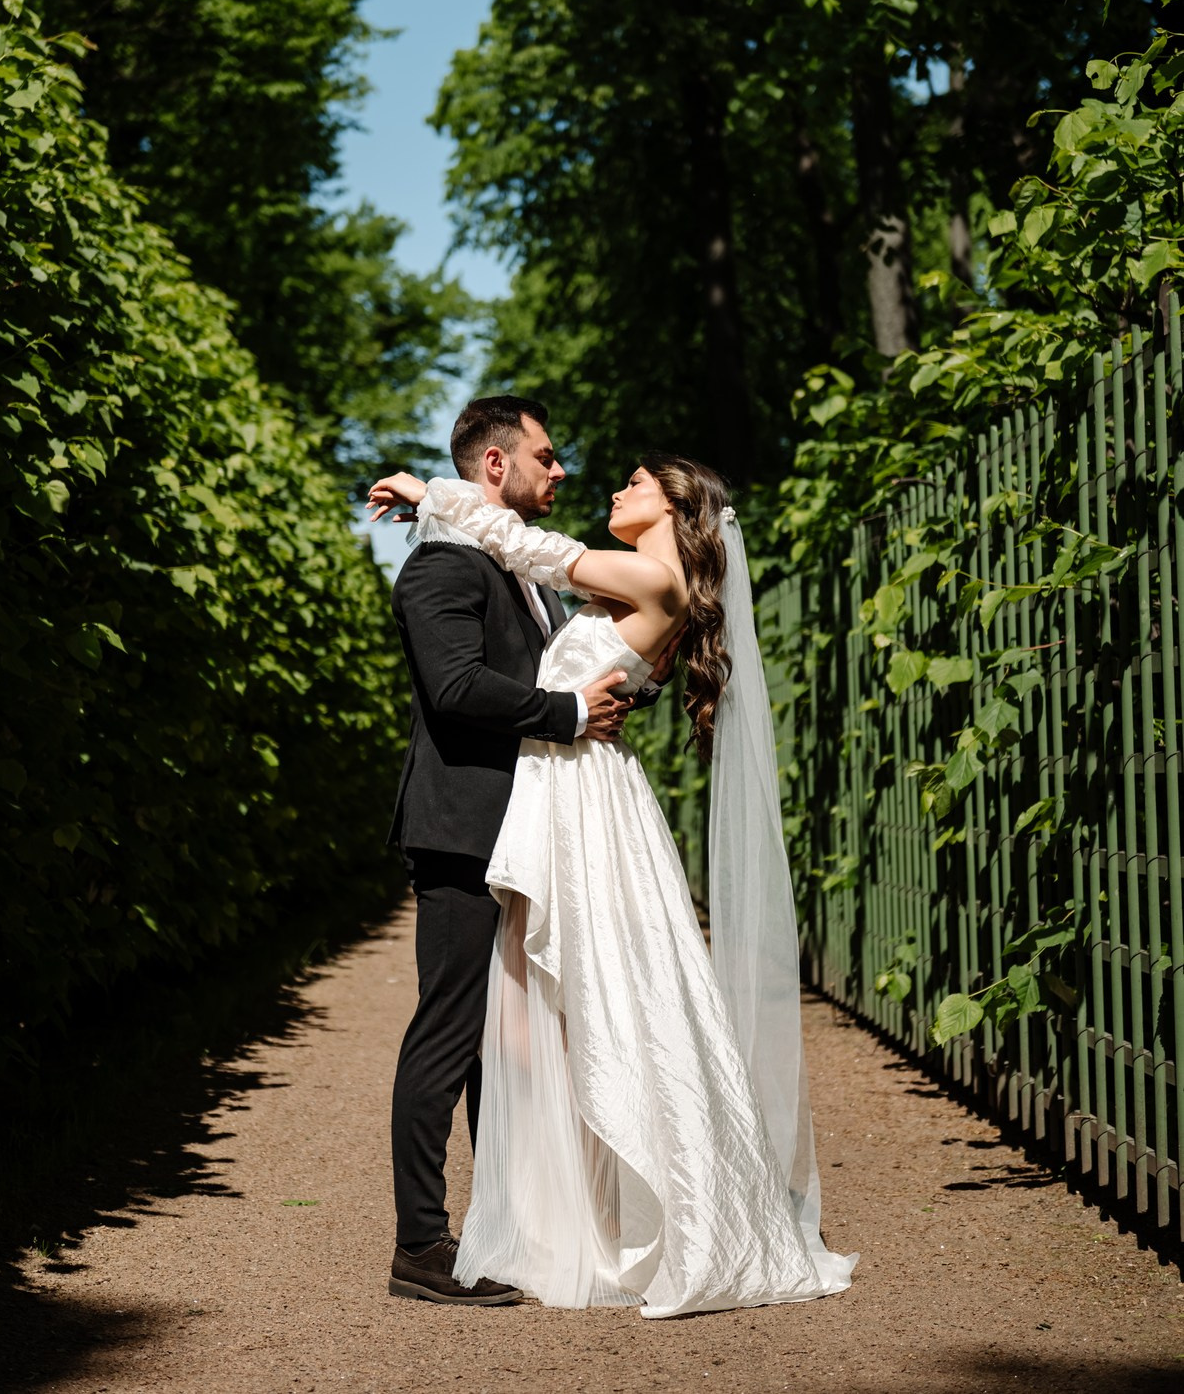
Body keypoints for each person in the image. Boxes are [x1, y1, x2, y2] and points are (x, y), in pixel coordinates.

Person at [367, 452, 857, 1318]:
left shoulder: (648, 576)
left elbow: (529, 544)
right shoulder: (637, 583)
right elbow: (518, 569)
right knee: (546, 1013)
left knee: (600, 1005)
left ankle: (633, 1205)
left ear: (674, 506)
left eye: (636, 483)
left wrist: (428, 493)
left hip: (583, 802)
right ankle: (543, 1213)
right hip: (562, 796)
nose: (613, 489)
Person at [378, 396, 661, 1306]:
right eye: (547, 455)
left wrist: (609, 692)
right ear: (495, 466)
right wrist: (572, 713)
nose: (562, 470)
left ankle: (510, 1228)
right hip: (463, 830)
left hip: (530, 833)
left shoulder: (516, 568)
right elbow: (458, 688)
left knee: (510, 1048)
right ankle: (420, 1247)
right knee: (450, 1034)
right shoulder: (438, 569)